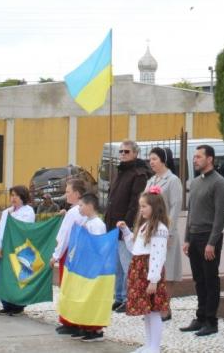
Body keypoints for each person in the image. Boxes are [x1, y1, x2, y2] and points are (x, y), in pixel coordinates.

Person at [180, 144, 224, 336]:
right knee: (199, 280)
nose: (195, 160)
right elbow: (191, 212)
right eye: (195, 157)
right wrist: (186, 238)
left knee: (210, 280)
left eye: (199, 157)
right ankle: (200, 317)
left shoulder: (219, 183)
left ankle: (211, 321)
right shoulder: (195, 182)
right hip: (194, 237)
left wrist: (211, 242)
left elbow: (220, 216)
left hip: (209, 238)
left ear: (210, 159)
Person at [116, 189, 171, 353]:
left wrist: (153, 279)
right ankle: (149, 344)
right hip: (139, 270)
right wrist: (126, 231)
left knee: (153, 311)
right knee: (146, 311)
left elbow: (158, 255)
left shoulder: (159, 229)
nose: (141, 210)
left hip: (149, 273)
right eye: (140, 206)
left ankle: (155, 347)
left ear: (155, 207)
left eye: (144, 206)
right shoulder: (144, 227)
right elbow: (134, 248)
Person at [105, 140, 151, 313]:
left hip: (125, 228)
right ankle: (119, 297)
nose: (123, 154)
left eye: (126, 152)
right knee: (116, 266)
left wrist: (127, 226)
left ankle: (128, 297)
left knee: (127, 265)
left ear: (135, 153)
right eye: (121, 152)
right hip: (112, 227)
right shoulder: (120, 172)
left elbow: (135, 203)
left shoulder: (138, 174)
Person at [70, 192, 110, 343]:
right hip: (85, 267)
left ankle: (96, 329)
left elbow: (99, 246)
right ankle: (86, 325)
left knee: (93, 298)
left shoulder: (97, 224)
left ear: (90, 206)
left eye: (81, 205)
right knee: (84, 297)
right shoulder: (87, 222)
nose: (79, 208)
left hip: (94, 267)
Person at [51, 179, 87, 335]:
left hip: (70, 254)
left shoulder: (73, 212)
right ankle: (74, 320)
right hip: (81, 254)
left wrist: (56, 255)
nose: (66, 194)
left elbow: (64, 236)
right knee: (76, 288)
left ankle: (70, 321)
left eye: (68, 192)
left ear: (77, 194)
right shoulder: (83, 210)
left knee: (67, 287)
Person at [0, 185, 36, 315]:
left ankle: (17, 305)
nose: (13, 198)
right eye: (12, 195)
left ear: (23, 197)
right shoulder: (6, 212)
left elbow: (22, 228)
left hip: (19, 248)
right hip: (5, 247)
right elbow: (0, 230)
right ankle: (6, 303)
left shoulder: (28, 211)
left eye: (16, 195)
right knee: (3, 276)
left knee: (17, 276)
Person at [145, 147, 183, 282]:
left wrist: (168, 233)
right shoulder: (151, 181)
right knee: (153, 271)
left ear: (164, 160)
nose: (151, 162)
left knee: (167, 273)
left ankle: (166, 303)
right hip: (151, 232)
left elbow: (175, 207)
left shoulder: (173, 180)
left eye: (154, 159)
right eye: (150, 159)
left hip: (165, 232)